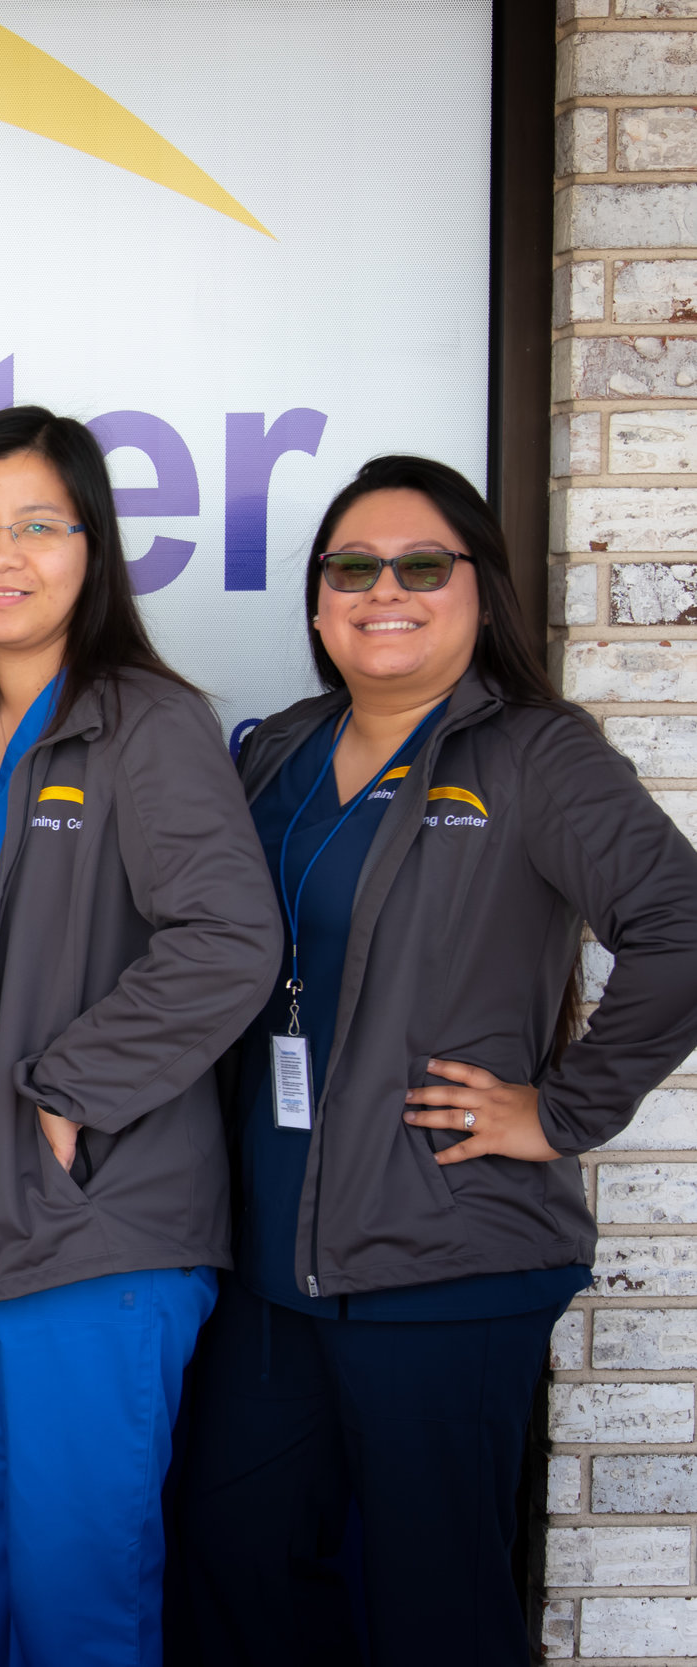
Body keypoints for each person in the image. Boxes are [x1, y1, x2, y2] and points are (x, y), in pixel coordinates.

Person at [167, 456, 697, 1666]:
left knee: (434, 1607)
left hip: (446, 1258)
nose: (381, 590)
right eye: (350, 568)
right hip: (270, 1265)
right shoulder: (283, 752)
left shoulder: (534, 756)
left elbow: (680, 926)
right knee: (232, 1558)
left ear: (478, 590)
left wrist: (559, 1111)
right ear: (315, 604)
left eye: (420, 565)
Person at [0, 407, 280, 1666]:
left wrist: (64, 1094)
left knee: (77, 1597)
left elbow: (228, 939)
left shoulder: (144, 725)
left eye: (37, 524)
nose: (1, 553)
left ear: (91, 546)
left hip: (88, 1223)